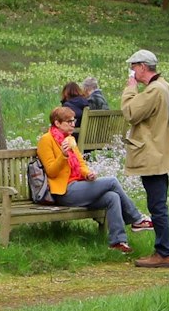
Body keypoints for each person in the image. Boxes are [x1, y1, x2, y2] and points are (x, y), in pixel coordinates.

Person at [36, 105, 147, 253]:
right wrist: (63, 156)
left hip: (80, 185)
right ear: (57, 123)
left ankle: (117, 242)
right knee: (112, 181)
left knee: (112, 197)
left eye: (73, 120)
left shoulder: (69, 139)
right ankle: (137, 219)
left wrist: (88, 174)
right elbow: (51, 172)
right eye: (68, 121)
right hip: (64, 192)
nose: (73, 124)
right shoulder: (46, 140)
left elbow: (80, 164)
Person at [121, 48, 169, 269]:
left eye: (134, 67)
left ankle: (164, 252)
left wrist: (130, 90)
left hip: (153, 154)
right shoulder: (164, 86)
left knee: (157, 205)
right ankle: (162, 250)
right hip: (161, 152)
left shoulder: (154, 90)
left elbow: (130, 113)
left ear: (142, 67)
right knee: (158, 203)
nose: (132, 72)